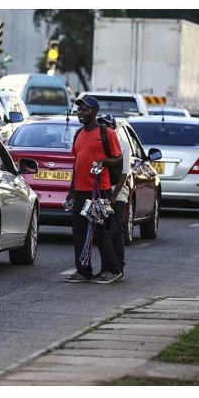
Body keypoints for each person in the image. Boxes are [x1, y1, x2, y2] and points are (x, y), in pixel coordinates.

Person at [64, 96, 124, 284]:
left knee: (101, 231)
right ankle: (83, 271)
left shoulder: (107, 133)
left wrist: (103, 161)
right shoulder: (78, 134)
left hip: (100, 190)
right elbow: (77, 163)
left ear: (95, 112)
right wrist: (71, 190)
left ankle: (111, 269)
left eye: (85, 110)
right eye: (79, 110)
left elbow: (118, 159)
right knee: (79, 231)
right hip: (81, 190)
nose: (81, 113)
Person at [97, 114, 129, 282]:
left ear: (113, 127)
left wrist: (115, 196)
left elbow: (124, 173)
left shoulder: (122, 145)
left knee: (116, 229)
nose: (104, 129)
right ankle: (107, 267)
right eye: (101, 126)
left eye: (107, 126)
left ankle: (119, 266)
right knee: (102, 230)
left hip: (117, 191)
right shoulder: (99, 144)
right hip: (101, 191)